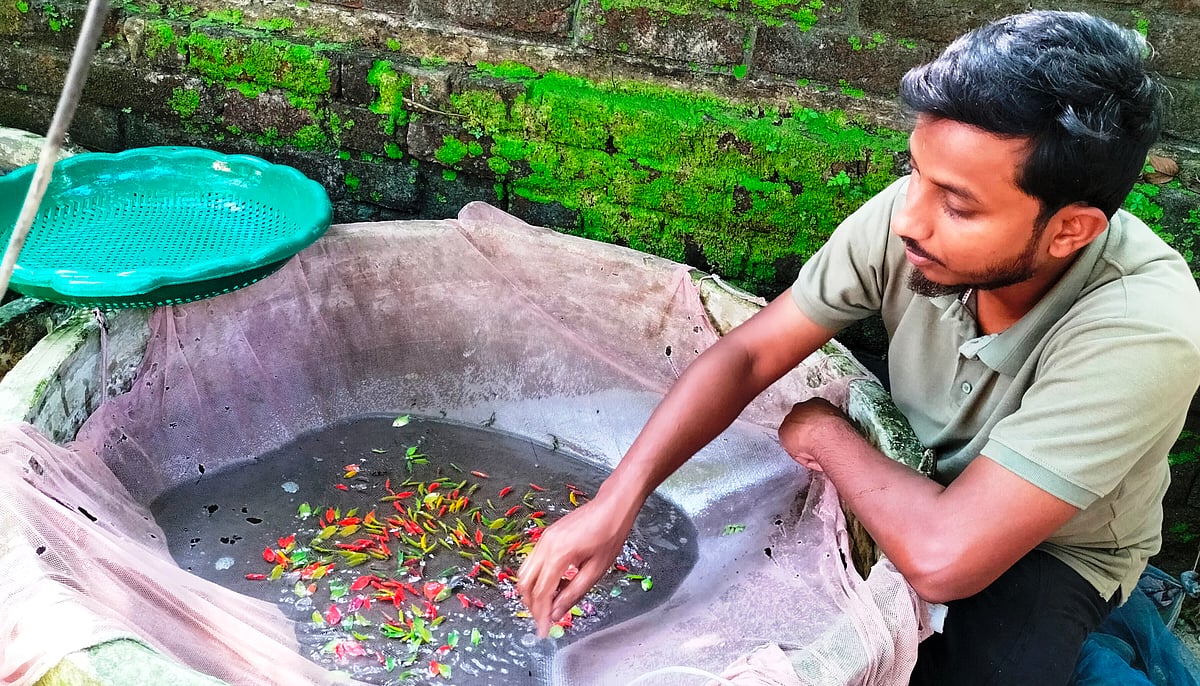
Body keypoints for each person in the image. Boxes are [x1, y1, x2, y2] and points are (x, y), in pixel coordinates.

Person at [516, 10, 1200, 685]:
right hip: (919, 466)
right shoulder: (914, 220)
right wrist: (617, 501)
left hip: (1053, 545)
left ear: (1069, 231)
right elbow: (749, 355)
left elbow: (945, 559)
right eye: (916, 172)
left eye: (958, 206)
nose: (908, 219)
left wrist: (827, 435)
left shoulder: (1144, 330)